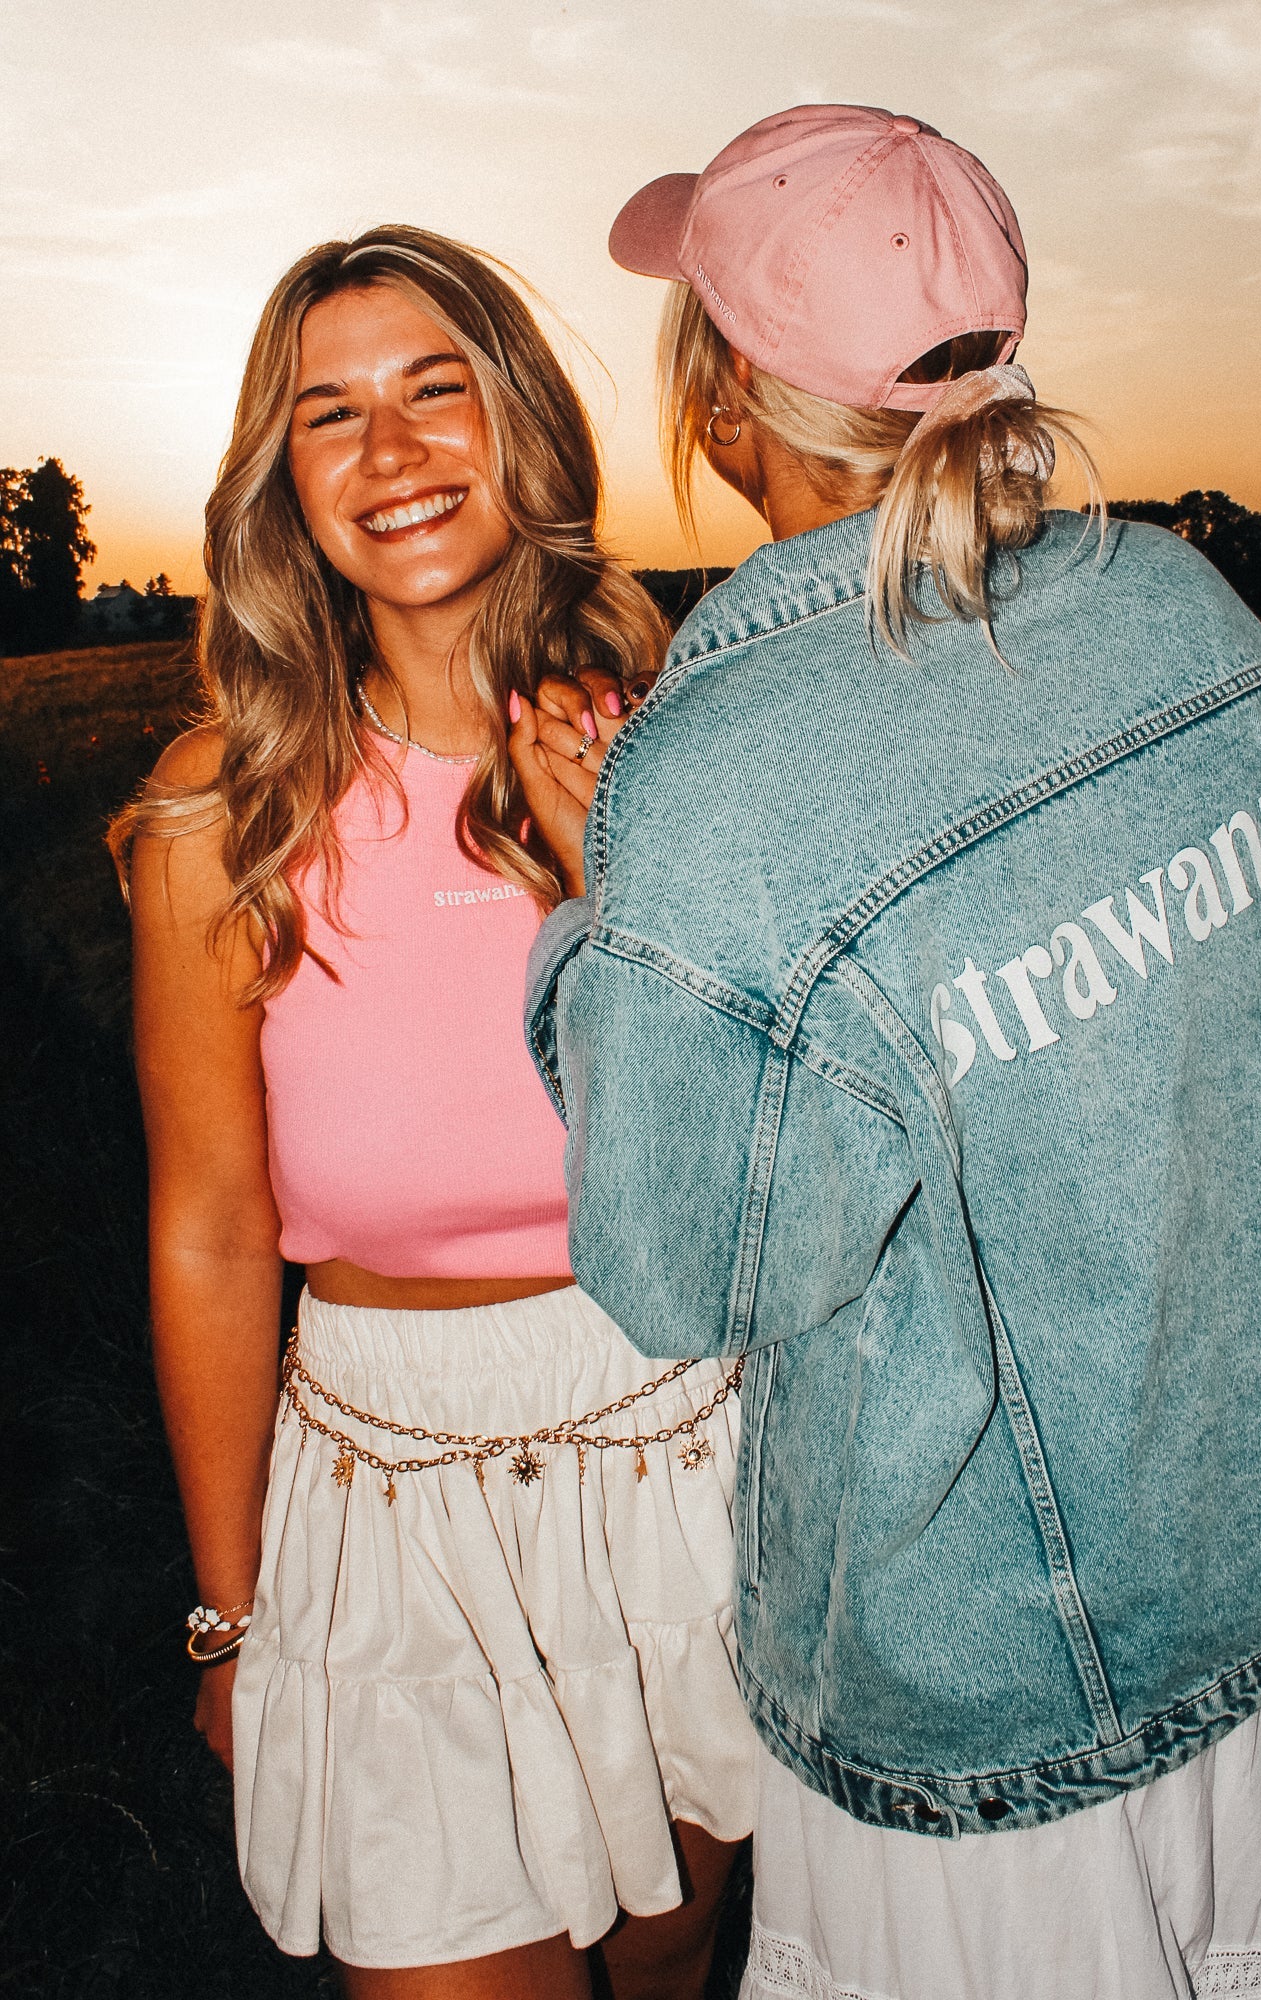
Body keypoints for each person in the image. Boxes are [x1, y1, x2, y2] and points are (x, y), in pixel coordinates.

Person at [513, 106, 1261, 2000]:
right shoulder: (1189, 612)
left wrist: (593, 913)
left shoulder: (720, 779)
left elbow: (682, 1271)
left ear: (726, 399)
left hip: (1020, 1709)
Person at [113, 225, 755, 1999]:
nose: (390, 456)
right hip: (382, 1498)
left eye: (433, 391)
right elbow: (213, 1229)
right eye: (332, 416)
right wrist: (231, 1609)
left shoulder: (681, 749)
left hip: (675, 1469)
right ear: (284, 483)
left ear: (520, 425)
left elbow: (755, 1162)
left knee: (666, 1961)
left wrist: (603, 887)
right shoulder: (217, 814)